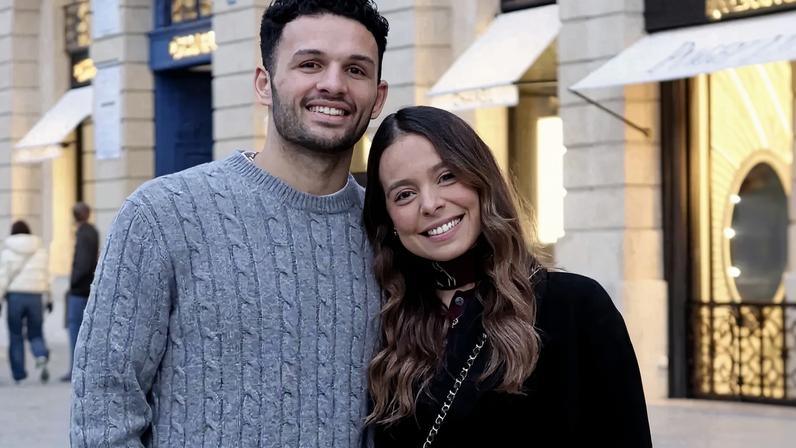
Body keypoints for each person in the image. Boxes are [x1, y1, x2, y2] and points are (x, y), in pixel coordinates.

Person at [70, 0, 389, 446]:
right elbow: (103, 413)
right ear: (264, 83)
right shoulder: (162, 214)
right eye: (310, 64)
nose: (333, 84)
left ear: (378, 97)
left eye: (355, 70)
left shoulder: (389, 232)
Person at [362, 106, 652, 447]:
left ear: (481, 180)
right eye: (404, 194)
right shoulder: (386, 321)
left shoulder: (576, 307)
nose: (430, 204)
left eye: (447, 176)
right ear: (390, 220)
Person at [0, 220, 52, 384]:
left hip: (15, 297)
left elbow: (3, 277)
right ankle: (41, 355)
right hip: (36, 297)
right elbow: (47, 276)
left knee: (15, 335)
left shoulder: (7, 252)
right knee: (35, 332)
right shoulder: (40, 251)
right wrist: (49, 298)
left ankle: (19, 374)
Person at [60, 202, 99, 382]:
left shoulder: (83, 233)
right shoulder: (93, 231)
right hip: (89, 287)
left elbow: (82, 264)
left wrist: (73, 281)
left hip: (79, 290)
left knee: (75, 329)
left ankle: (76, 368)